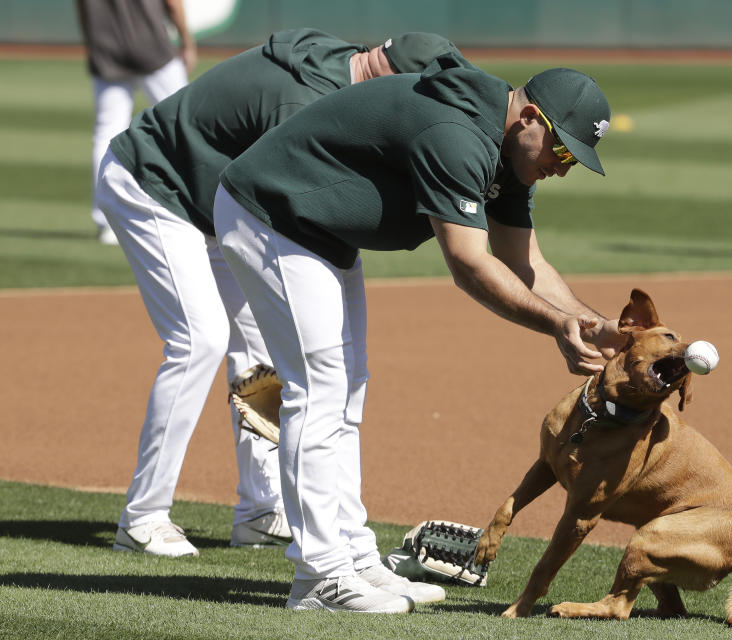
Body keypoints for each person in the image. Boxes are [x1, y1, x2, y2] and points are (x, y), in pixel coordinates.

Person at [213, 60, 624, 613]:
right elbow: (470, 264)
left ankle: (353, 559)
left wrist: (596, 324)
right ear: (530, 118)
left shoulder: (506, 150)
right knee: (319, 390)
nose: (564, 168)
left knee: (348, 389)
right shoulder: (457, 137)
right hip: (271, 218)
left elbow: (525, 262)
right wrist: (556, 324)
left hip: (318, 232)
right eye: (564, 151)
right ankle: (320, 576)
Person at [97, 28, 463, 593]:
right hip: (154, 186)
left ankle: (259, 509)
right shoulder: (305, 105)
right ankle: (143, 517)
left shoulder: (346, 68)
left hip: (217, 207)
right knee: (200, 339)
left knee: (261, 350)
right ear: (389, 76)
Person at [76, 0, 196, 245]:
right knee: (187, 124)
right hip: (151, 47)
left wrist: (91, 43)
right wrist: (187, 40)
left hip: (106, 48)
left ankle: (107, 222)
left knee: (106, 133)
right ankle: (199, 208)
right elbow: (172, 3)